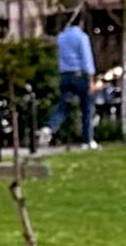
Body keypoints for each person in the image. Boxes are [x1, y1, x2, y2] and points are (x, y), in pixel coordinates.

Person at [38, 19, 97, 150]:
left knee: (63, 107)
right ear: (80, 23)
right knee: (86, 108)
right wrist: (91, 78)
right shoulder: (82, 37)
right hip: (80, 74)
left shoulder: (61, 38)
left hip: (65, 75)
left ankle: (50, 128)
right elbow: (87, 58)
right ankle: (87, 140)